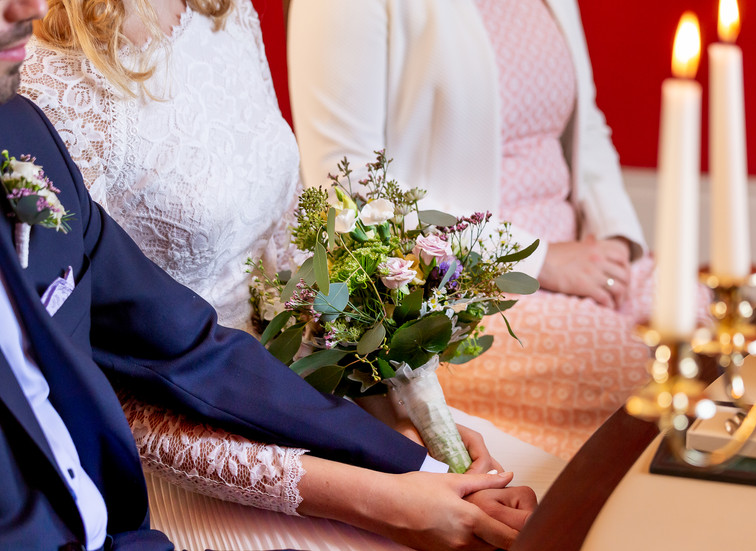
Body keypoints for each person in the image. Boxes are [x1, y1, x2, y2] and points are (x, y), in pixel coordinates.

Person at [0, 1, 540, 550]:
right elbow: (115, 383)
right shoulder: (33, 79)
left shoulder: (223, 11)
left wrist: (398, 433)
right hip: (184, 451)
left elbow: (284, 262)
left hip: (292, 391)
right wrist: (378, 495)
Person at [287, 0, 683, 459]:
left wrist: (615, 240)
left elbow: (587, 126)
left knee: (697, 325)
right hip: (459, 290)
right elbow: (348, 185)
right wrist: (541, 259)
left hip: (581, 254)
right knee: (639, 366)